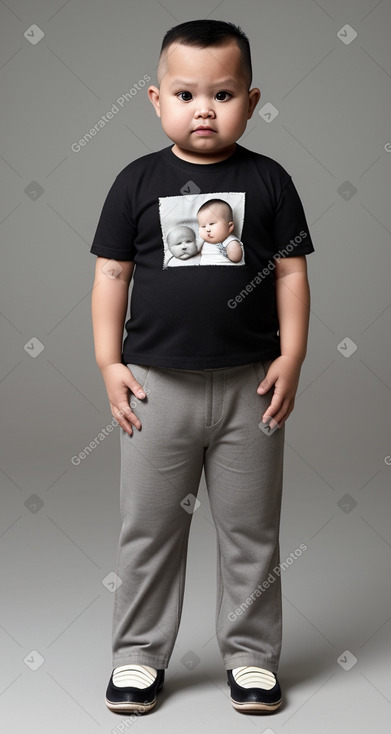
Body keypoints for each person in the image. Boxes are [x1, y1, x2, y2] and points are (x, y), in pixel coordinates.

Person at [90, 18, 315, 716]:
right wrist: (108, 362)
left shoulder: (269, 179)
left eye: (222, 93)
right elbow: (111, 274)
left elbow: (289, 272)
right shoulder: (136, 182)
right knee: (149, 529)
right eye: (185, 93)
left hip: (251, 386)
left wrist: (293, 353)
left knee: (251, 531)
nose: (204, 108)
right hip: (157, 388)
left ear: (251, 100)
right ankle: (137, 654)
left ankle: (250, 655)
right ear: (156, 100)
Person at [197, 198, 244, 264]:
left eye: (212, 224)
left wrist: (233, 246)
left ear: (229, 227)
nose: (207, 229)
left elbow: (236, 258)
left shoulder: (230, 241)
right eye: (203, 226)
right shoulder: (203, 242)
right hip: (205, 272)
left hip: (226, 272)